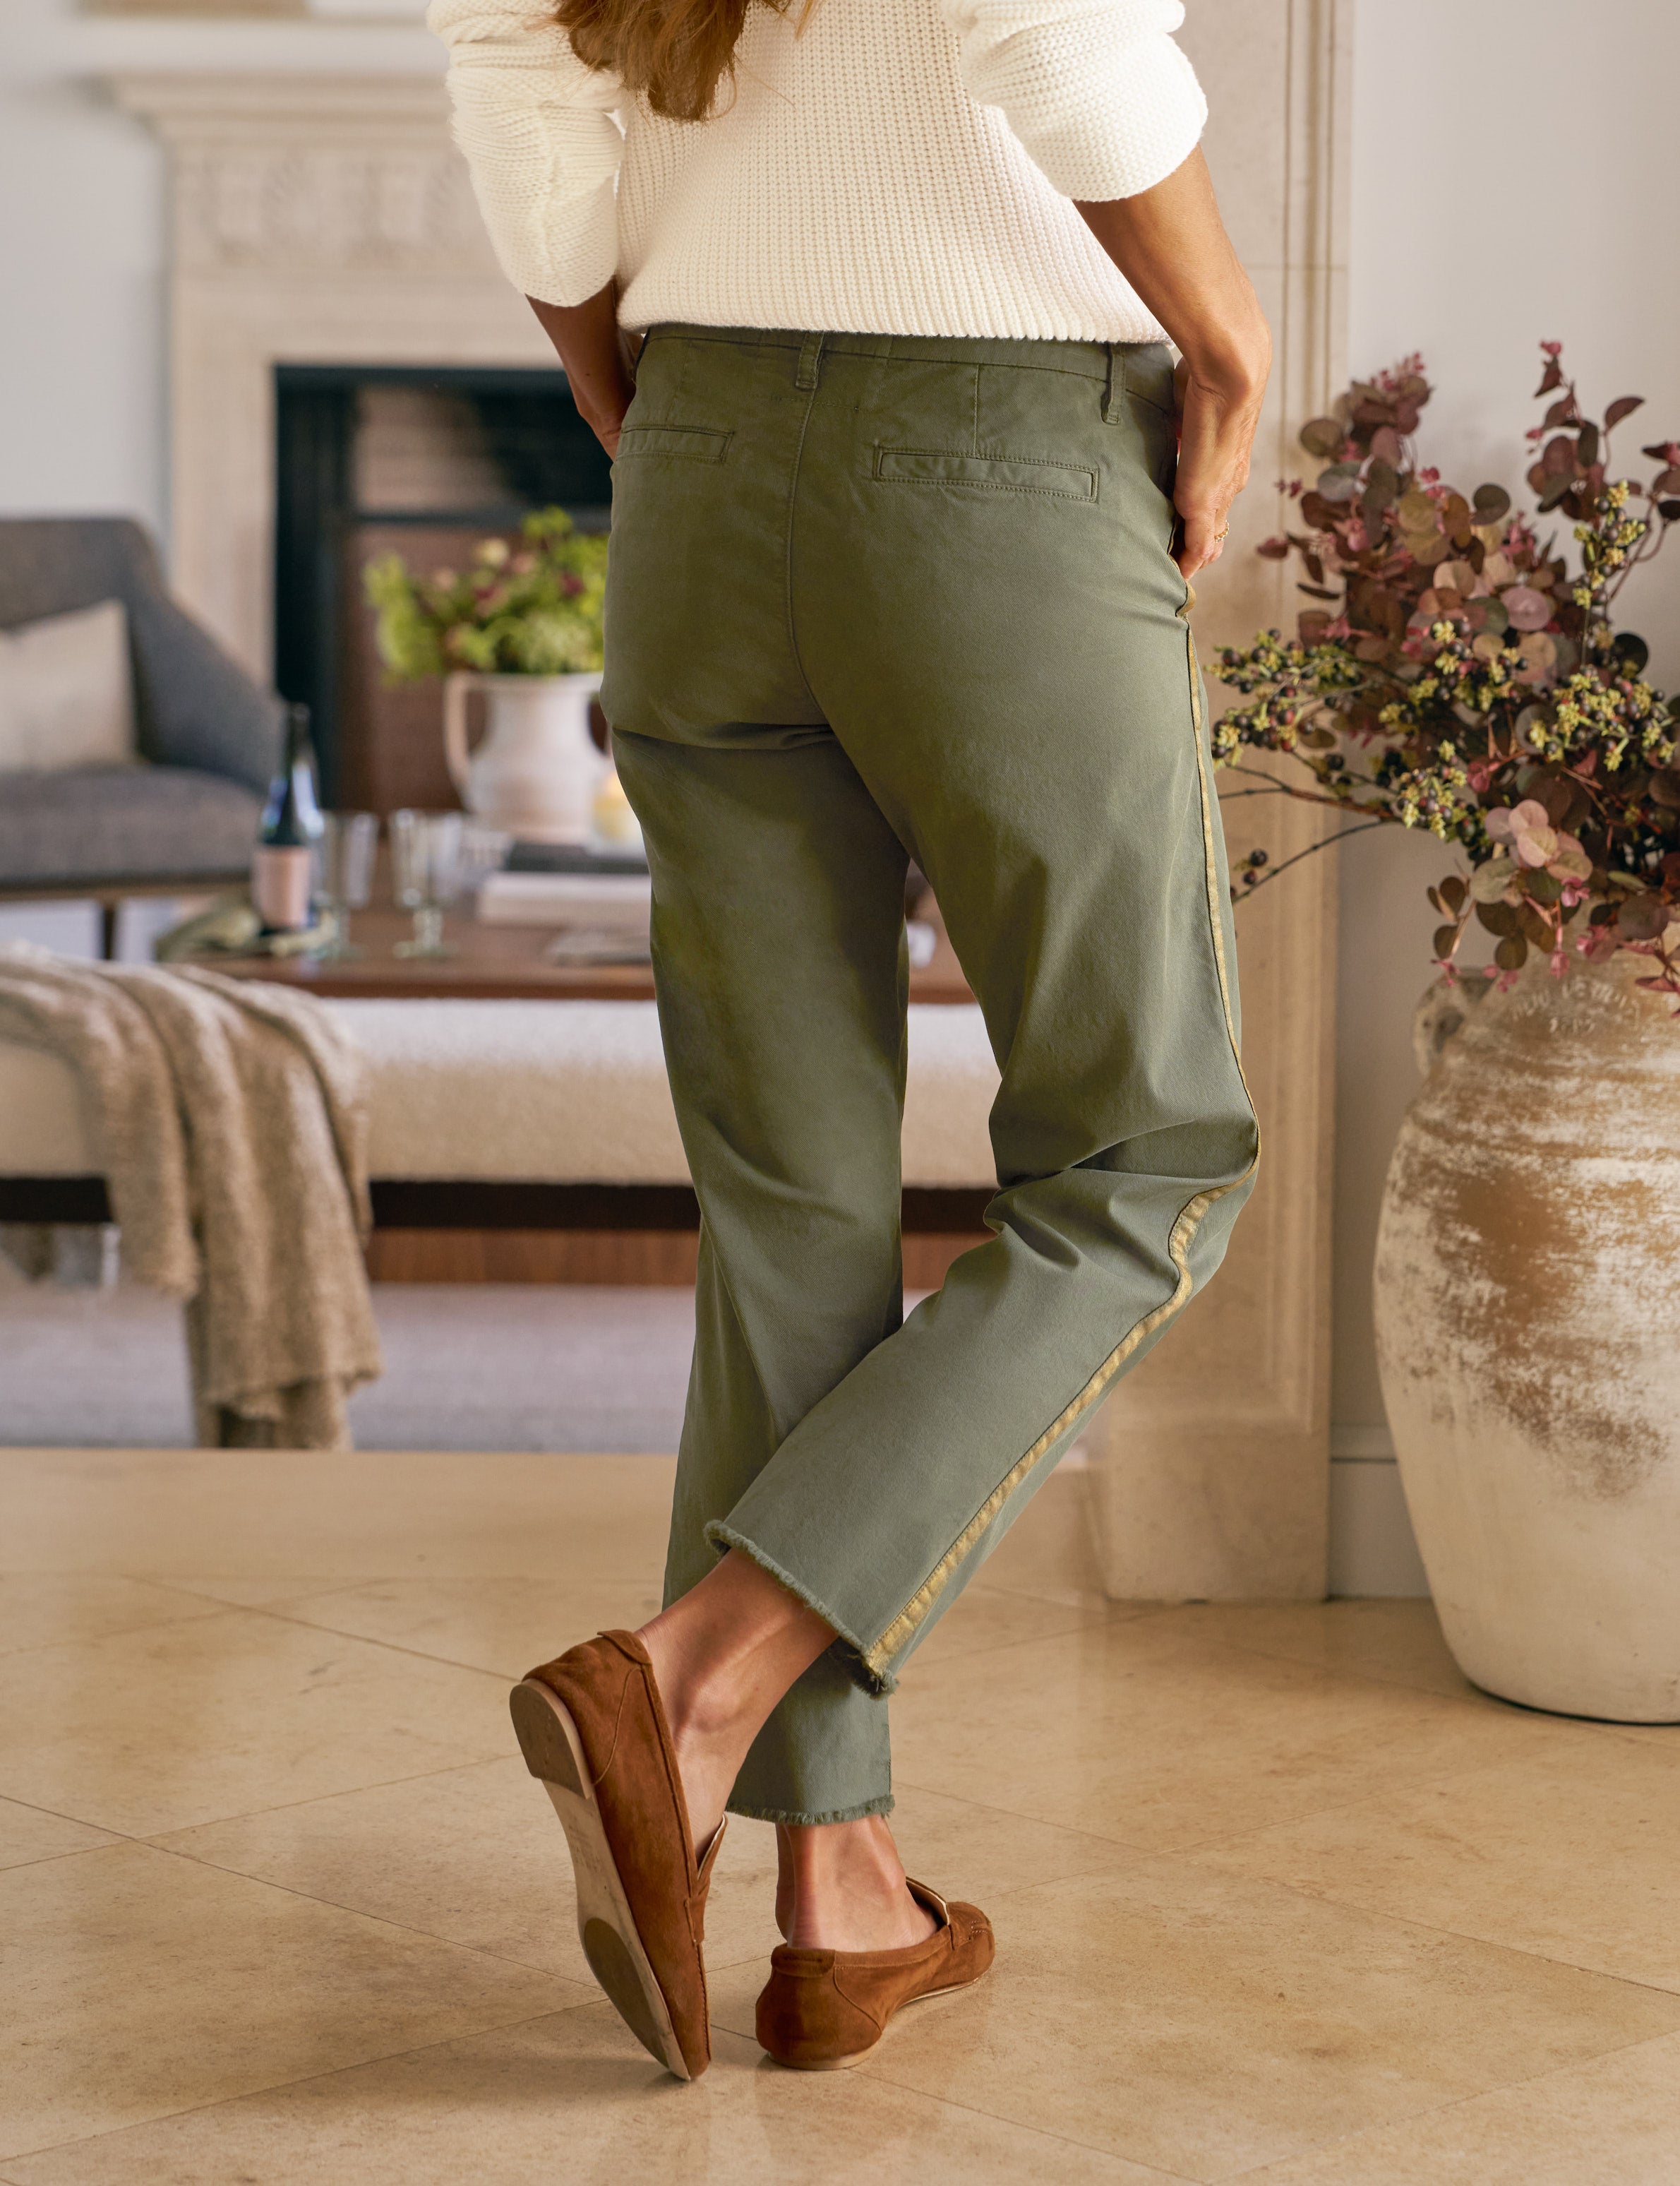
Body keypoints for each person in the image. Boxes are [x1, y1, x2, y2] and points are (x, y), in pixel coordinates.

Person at [430, 0, 1267, 2080]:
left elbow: (516, 75)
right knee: (1146, 1163)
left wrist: (626, 387)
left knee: (788, 1208)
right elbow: (1041, 23)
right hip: (987, 458)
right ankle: (686, 1682)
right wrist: (1229, 340)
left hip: (697, 457)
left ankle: (837, 1892)